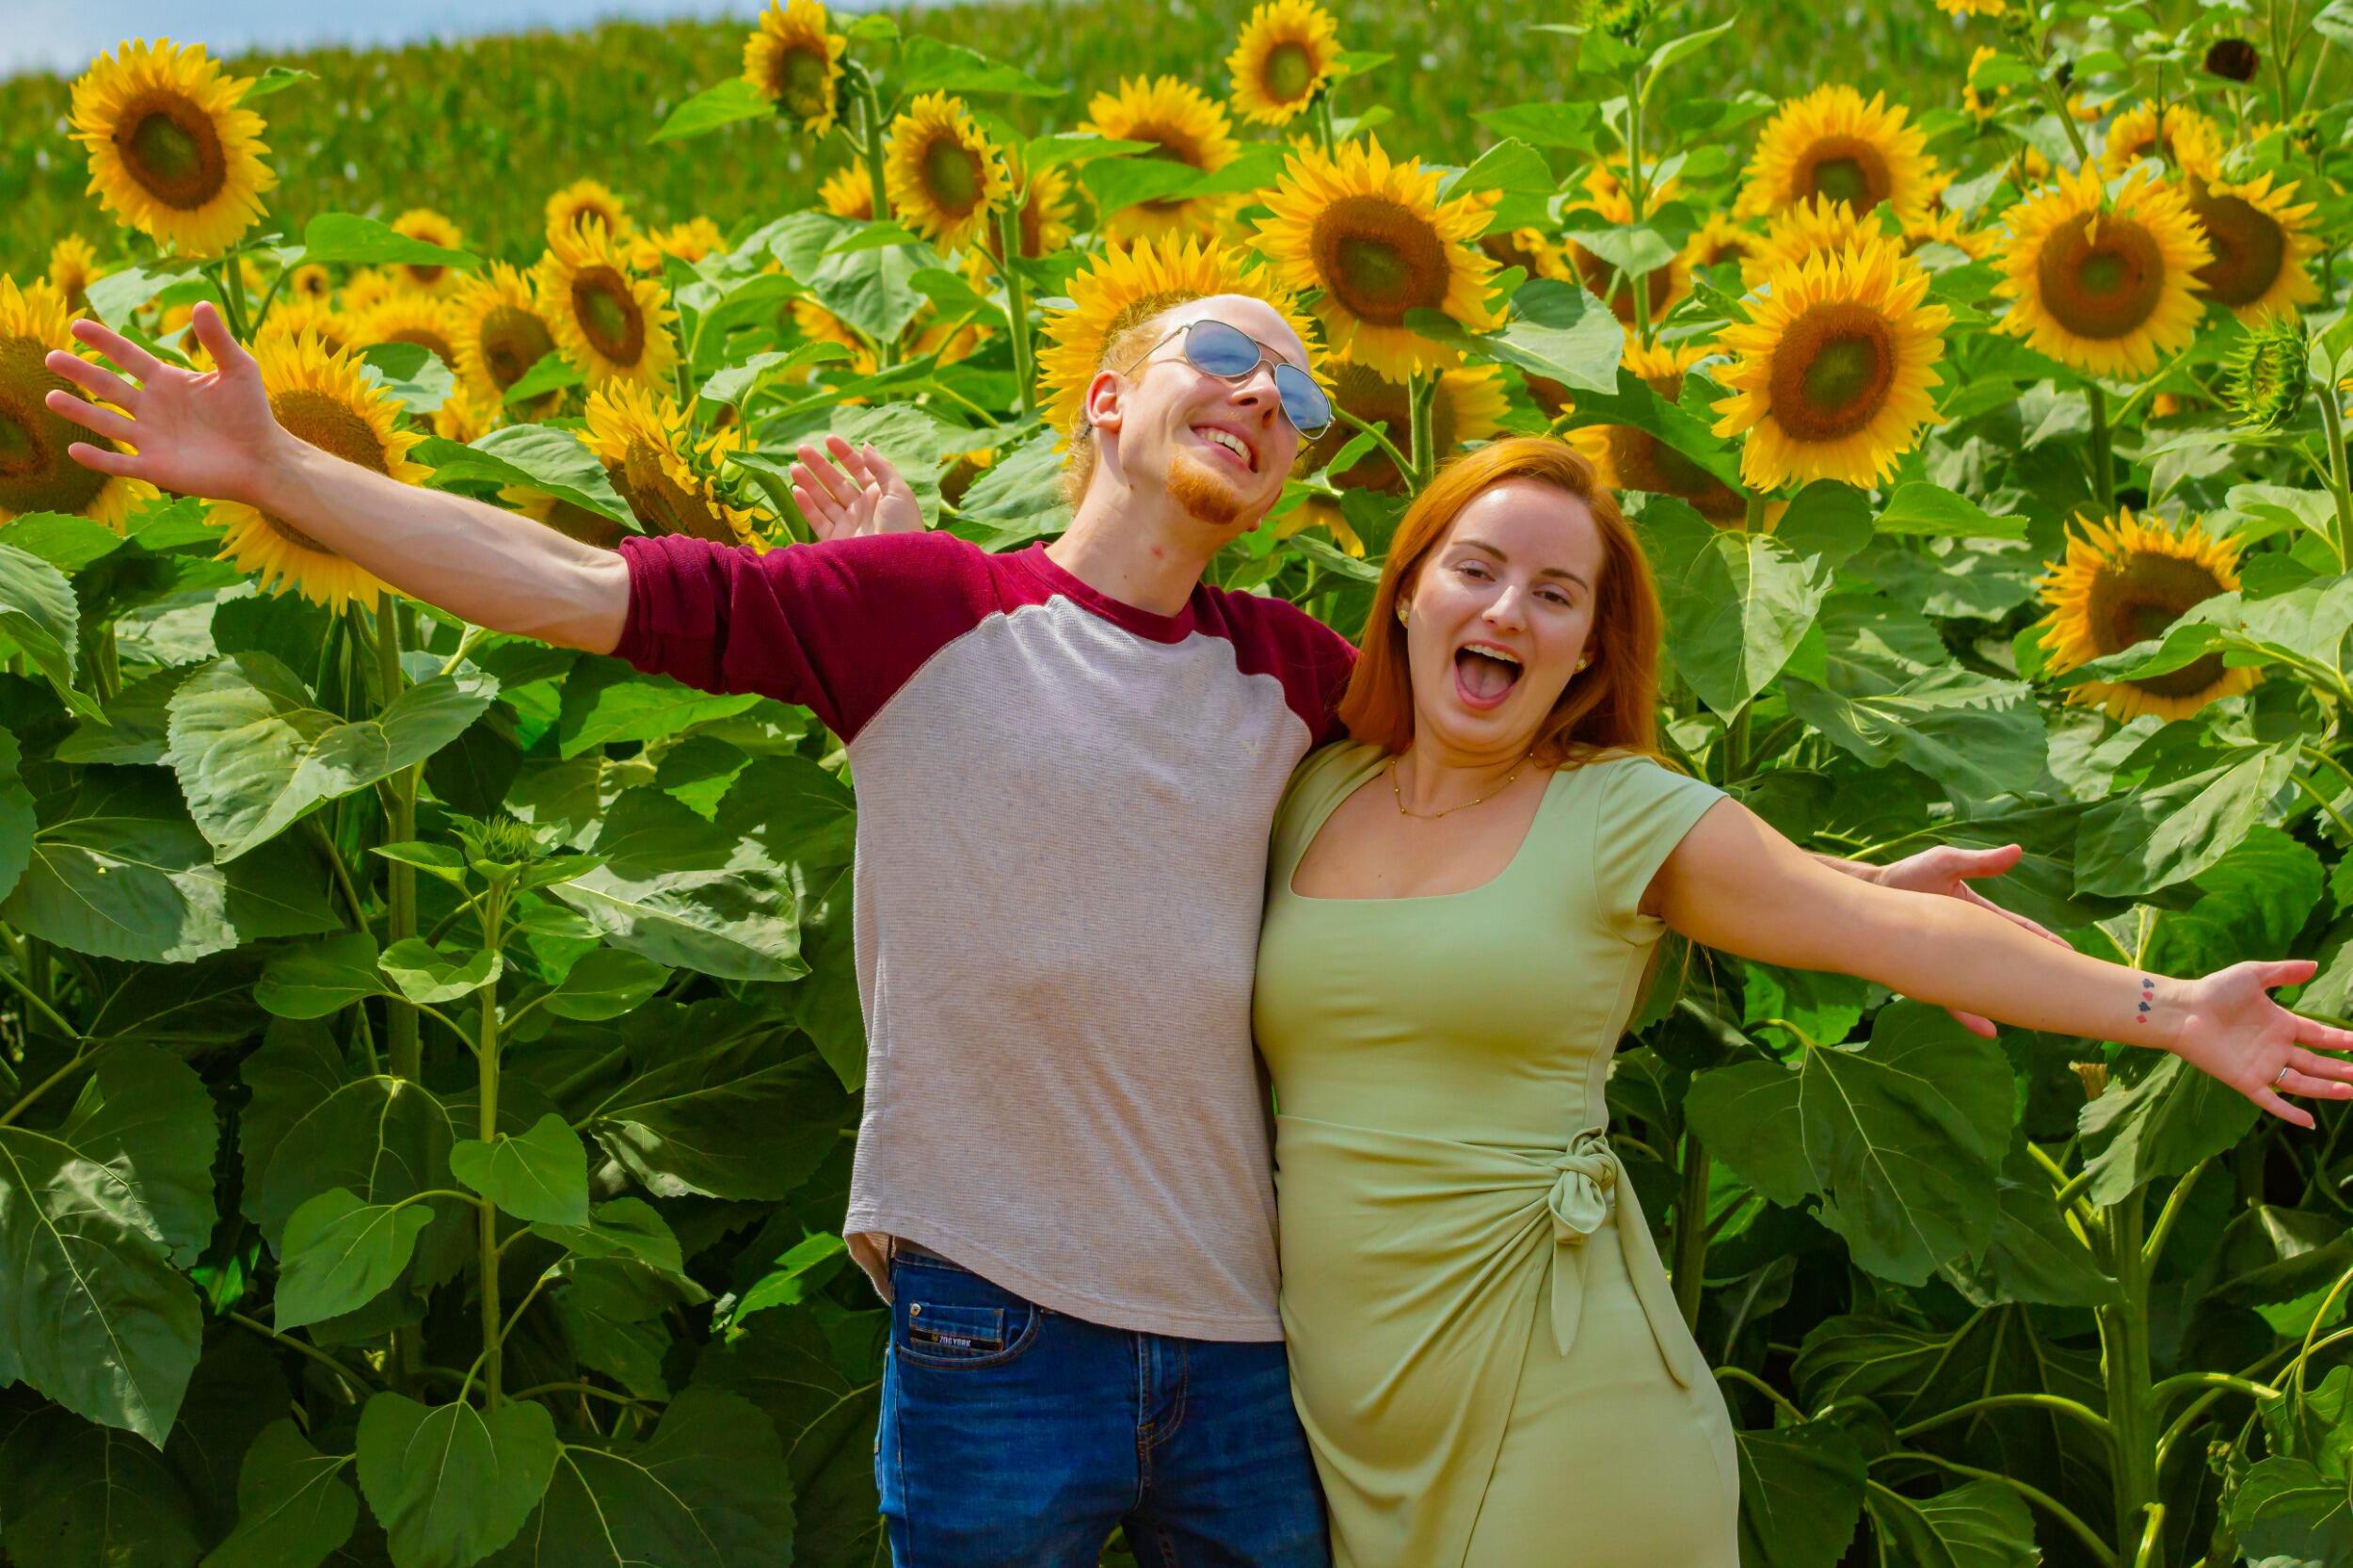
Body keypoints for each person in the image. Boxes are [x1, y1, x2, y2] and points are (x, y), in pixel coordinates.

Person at [49, 270, 2049, 1567]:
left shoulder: (1289, 671)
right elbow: (573, 584)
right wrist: (287, 467)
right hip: (995, 1317)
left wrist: (1852, 896)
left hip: (1254, 1337)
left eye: (1300, 401)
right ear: (1104, 399)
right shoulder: (917, 609)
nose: (1270, 397)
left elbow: (1526, 791)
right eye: (1226, 356)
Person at [1249, 434, 2353, 1568]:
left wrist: (2174, 1008)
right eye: (1475, 570)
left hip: (1556, 1400)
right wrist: (1851, 871)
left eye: (1554, 593)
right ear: (1407, 593)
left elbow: (1890, 938)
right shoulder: (1316, 786)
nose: (1507, 611)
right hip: (1343, 1420)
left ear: (1586, 652)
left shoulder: (1619, 811)